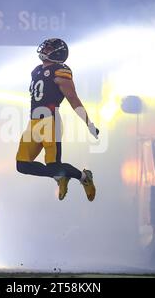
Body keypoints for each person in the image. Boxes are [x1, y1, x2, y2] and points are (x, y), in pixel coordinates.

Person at [16, 38, 99, 201]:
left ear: (57, 53)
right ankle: (60, 177)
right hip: (33, 122)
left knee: (54, 165)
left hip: (50, 122)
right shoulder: (36, 70)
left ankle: (83, 177)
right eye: (46, 47)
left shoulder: (61, 72)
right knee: (22, 165)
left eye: (49, 48)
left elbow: (73, 99)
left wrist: (89, 123)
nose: (45, 49)